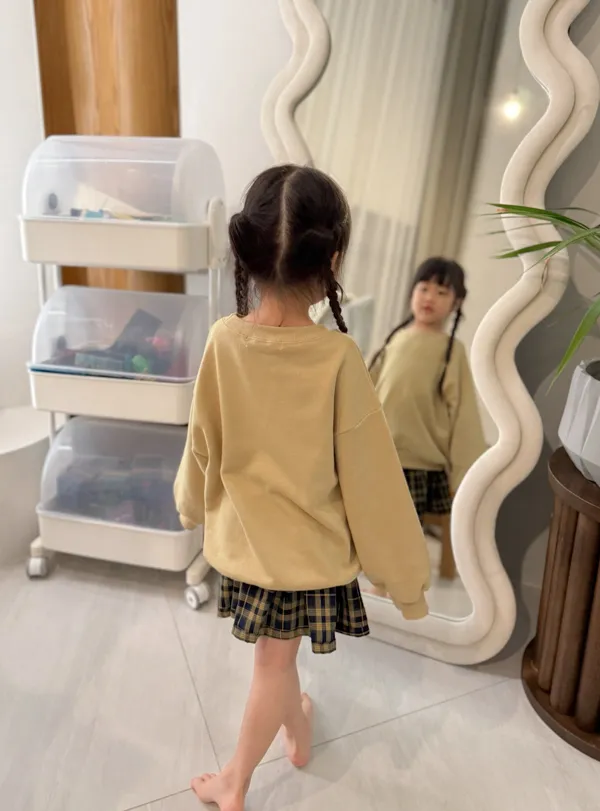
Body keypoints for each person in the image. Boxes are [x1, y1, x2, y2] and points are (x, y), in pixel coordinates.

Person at [174, 164, 430, 811]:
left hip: (249, 546)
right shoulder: (339, 358)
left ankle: (294, 727)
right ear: (332, 260)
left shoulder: (224, 341)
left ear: (247, 254)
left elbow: (201, 443)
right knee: (275, 662)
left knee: (274, 660)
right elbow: (373, 482)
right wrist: (404, 577)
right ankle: (237, 781)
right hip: (305, 557)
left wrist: (188, 504)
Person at [369, 258, 486, 525]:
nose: (430, 298)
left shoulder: (451, 352)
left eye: (441, 292)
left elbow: (463, 415)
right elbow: (365, 387)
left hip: (418, 466)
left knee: (400, 531)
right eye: (423, 289)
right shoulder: (395, 339)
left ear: (456, 303)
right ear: (412, 292)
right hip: (377, 453)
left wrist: (465, 476)